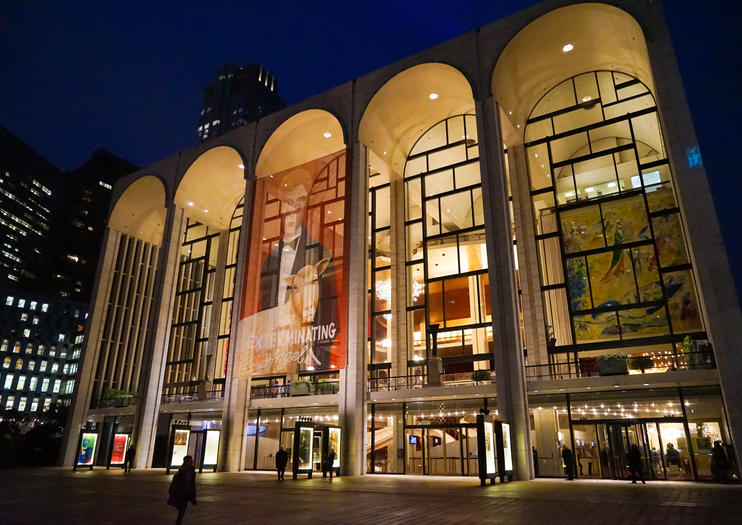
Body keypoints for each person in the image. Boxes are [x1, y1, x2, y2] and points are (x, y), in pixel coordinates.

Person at [259, 183, 338, 369]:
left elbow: (330, 303)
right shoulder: (269, 260)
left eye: (300, 201)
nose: (293, 208)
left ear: (306, 208)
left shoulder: (320, 253)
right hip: (273, 341)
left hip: (307, 340)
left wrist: (323, 344)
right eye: (289, 201)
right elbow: (264, 303)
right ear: (282, 208)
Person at [167, 455, 197, 525]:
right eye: (190, 461)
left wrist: (193, 496)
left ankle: (178, 522)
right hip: (181, 492)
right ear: (186, 462)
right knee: (181, 509)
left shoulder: (191, 471)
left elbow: (192, 485)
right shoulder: (181, 472)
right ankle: (178, 522)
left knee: (182, 510)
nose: (192, 462)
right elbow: (175, 483)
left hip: (186, 493)